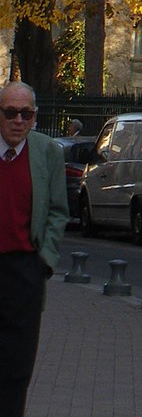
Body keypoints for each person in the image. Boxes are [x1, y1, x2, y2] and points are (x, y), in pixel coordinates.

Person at [0, 81, 69, 417]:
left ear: (34, 117)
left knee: (16, 366)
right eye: (10, 112)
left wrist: (45, 262)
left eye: (25, 114)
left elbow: (59, 211)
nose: (18, 121)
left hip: (24, 272)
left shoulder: (47, 152)